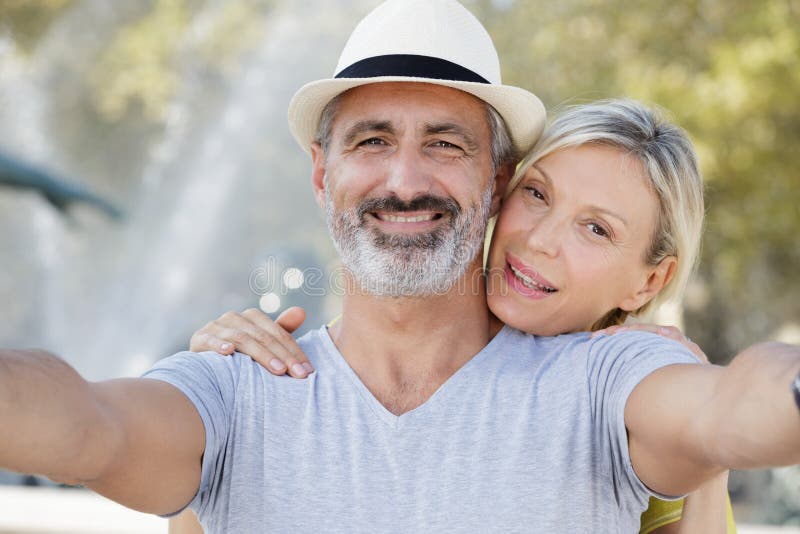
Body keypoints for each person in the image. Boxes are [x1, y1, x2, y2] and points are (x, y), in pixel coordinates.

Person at [0, 1, 797, 532]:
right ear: (322, 175)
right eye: (372, 140)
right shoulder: (236, 387)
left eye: (445, 144)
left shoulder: (602, 379)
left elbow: (735, 402)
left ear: (494, 177)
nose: (406, 181)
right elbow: (84, 423)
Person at [184, 98, 737, 534]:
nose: (540, 241)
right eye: (538, 195)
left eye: (596, 229)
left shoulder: (641, 406)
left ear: (652, 280)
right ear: (498, 192)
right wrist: (212, 412)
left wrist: (709, 449)